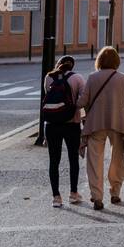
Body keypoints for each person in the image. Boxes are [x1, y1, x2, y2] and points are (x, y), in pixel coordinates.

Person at [78, 46, 124, 211]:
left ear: (99, 61)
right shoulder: (122, 78)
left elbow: (81, 102)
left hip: (95, 125)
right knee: (118, 159)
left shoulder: (92, 78)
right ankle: (115, 192)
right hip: (118, 125)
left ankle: (97, 196)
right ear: (116, 61)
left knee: (94, 161)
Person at [42, 55, 84, 208]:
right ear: (72, 66)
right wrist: (75, 107)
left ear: (58, 64)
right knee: (73, 158)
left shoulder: (49, 77)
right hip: (71, 124)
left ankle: (56, 197)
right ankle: (73, 193)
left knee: (54, 160)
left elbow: (48, 95)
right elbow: (85, 98)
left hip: (52, 124)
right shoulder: (77, 78)